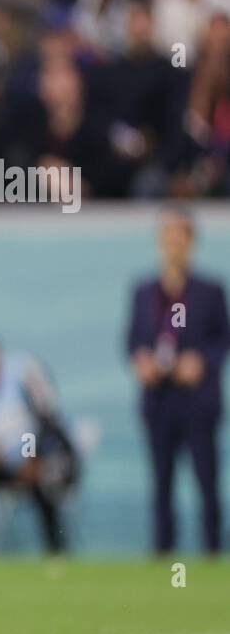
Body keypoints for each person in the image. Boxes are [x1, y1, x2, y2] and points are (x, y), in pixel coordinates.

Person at [126, 208, 229, 553]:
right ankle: (163, 552)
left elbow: (221, 339)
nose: (173, 246)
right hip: (159, 398)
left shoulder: (209, 290)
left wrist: (200, 361)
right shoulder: (144, 291)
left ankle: (213, 551)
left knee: (206, 479)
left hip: (197, 399)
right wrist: (141, 359)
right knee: (161, 481)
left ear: (191, 243)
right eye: (167, 238)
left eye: (179, 238)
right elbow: (133, 338)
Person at [0, 334, 77, 554]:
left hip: (40, 457)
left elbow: (46, 417)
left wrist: (32, 457)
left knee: (42, 481)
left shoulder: (22, 373)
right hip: (4, 465)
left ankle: (56, 551)